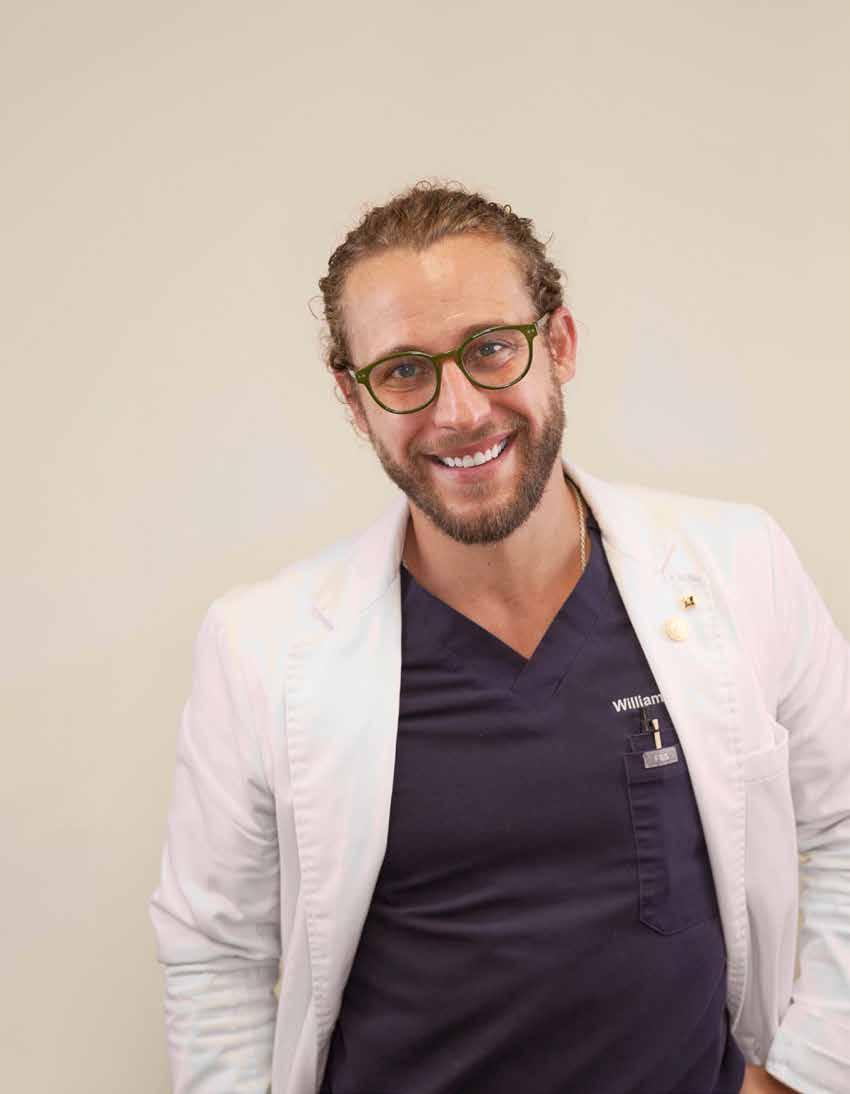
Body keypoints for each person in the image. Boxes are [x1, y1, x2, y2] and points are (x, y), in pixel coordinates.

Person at [149, 181, 850, 1094]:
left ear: (558, 346)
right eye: (404, 371)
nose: (460, 412)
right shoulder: (260, 647)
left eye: (490, 349)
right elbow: (215, 955)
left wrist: (807, 1075)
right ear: (354, 401)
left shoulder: (740, 568)